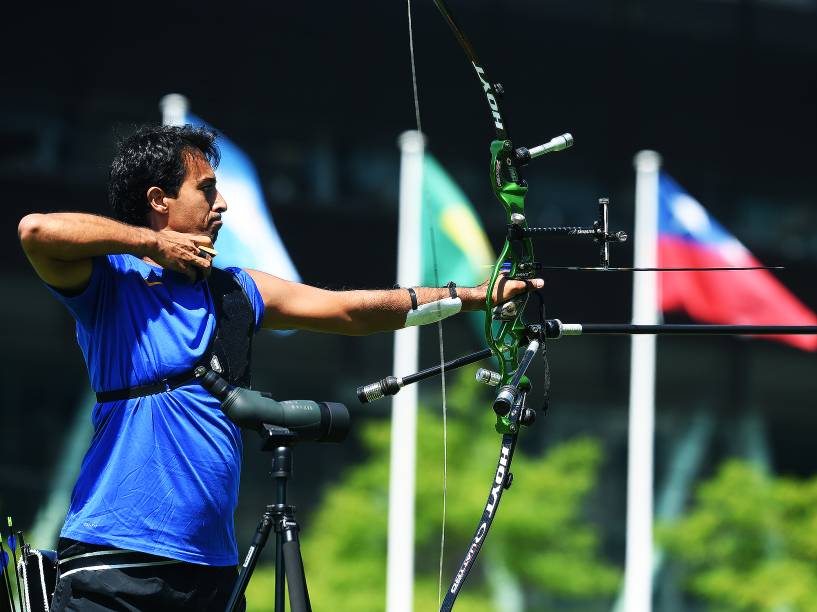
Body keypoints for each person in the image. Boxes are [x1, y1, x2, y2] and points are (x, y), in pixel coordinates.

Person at [17, 124, 542, 611]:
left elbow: (348, 310)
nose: (221, 203)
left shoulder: (236, 288)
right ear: (159, 201)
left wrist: (473, 296)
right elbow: (36, 230)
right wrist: (154, 243)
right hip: (116, 558)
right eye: (206, 189)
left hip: (212, 570)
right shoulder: (112, 281)